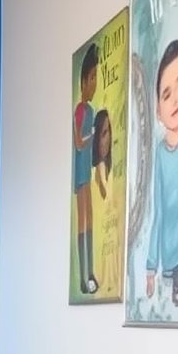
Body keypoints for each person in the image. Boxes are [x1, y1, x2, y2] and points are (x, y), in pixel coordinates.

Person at [145, 38, 178, 307]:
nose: (176, 99)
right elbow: (157, 211)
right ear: (158, 111)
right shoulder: (159, 154)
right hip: (172, 256)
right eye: (166, 94)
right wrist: (150, 267)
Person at [72, 43, 100, 293]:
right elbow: (78, 144)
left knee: (90, 218)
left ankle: (91, 272)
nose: (94, 83)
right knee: (82, 219)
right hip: (79, 173)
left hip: (88, 172)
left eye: (96, 78)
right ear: (83, 81)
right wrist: (91, 136)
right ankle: (82, 278)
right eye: (91, 78)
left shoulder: (91, 109)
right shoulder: (80, 110)